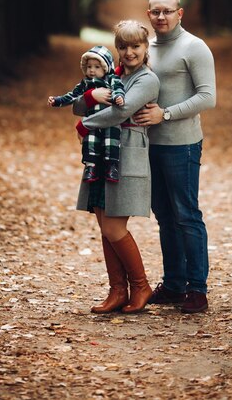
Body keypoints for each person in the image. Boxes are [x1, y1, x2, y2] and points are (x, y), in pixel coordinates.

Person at [133, 0, 216, 314]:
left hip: (181, 145)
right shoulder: (147, 48)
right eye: (155, 12)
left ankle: (197, 290)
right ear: (149, 14)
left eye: (167, 11)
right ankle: (173, 284)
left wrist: (164, 114)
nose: (161, 17)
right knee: (165, 217)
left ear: (180, 13)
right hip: (147, 145)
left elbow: (207, 97)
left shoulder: (194, 47)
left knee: (186, 215)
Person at [73, 20, 160, 314]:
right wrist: (90, 97)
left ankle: (140, 285)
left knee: (114, 226)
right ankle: (117, 291)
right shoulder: (111, 75)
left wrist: (86, 123)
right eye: (123, 46)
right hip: (100, 155)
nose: (129, 52)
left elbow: (121, 110)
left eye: (136, 46)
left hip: (126, 156)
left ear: (146, 47)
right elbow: (77, 103)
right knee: (104, 225)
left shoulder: (147, 80)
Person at [48, 45, 125, 183]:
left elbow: (118, 89)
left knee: (111, 141)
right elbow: (72, 96)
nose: (92, 70)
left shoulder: (112, 79)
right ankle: (91, 167)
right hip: (93, 120)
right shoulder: (85, 83)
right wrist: (57, 101)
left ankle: (112, 167)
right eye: (89, 67)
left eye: (97, 67)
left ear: (105, 68)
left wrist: (118, 97)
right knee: (90, 142)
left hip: (110, 120)